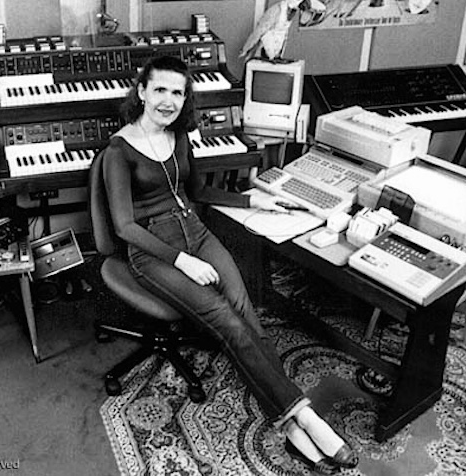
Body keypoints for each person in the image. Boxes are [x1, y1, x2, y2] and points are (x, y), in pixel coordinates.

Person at [101, 55, 358, 474]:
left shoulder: (178, 136)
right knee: (226, 319)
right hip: (153, 250)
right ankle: (305, 418)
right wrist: (182, 261)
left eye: (178, 92)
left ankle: (291, 425)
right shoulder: (118, 150)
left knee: (243, 308)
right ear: (142, 90)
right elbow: (124, 227)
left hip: (194, 230)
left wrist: (254, 200)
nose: (169, 101)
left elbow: (198, 189)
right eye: (160, 89)